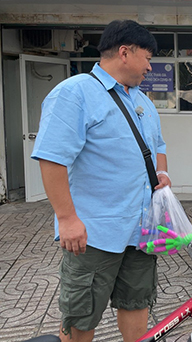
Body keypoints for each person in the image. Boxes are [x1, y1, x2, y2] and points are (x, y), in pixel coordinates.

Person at [30, 20, 169, 342]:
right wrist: (66, 219)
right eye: (147, 58)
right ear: (125, 52)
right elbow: (52, 158)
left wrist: (162, 173)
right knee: (82, 313)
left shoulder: (142, 101)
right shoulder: (75, 92)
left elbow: (158, 146)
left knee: (137, 300)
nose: (150, 67)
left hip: (142, 227)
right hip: (94, 232)